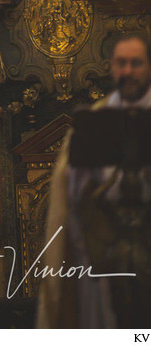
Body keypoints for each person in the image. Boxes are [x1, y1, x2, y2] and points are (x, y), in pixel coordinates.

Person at [38, 34, 151, 328]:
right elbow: (70, 191)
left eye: (136, 63)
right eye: (121, 63)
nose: (128, 71)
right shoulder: (93, 122)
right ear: (111, 68)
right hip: (107, 245)